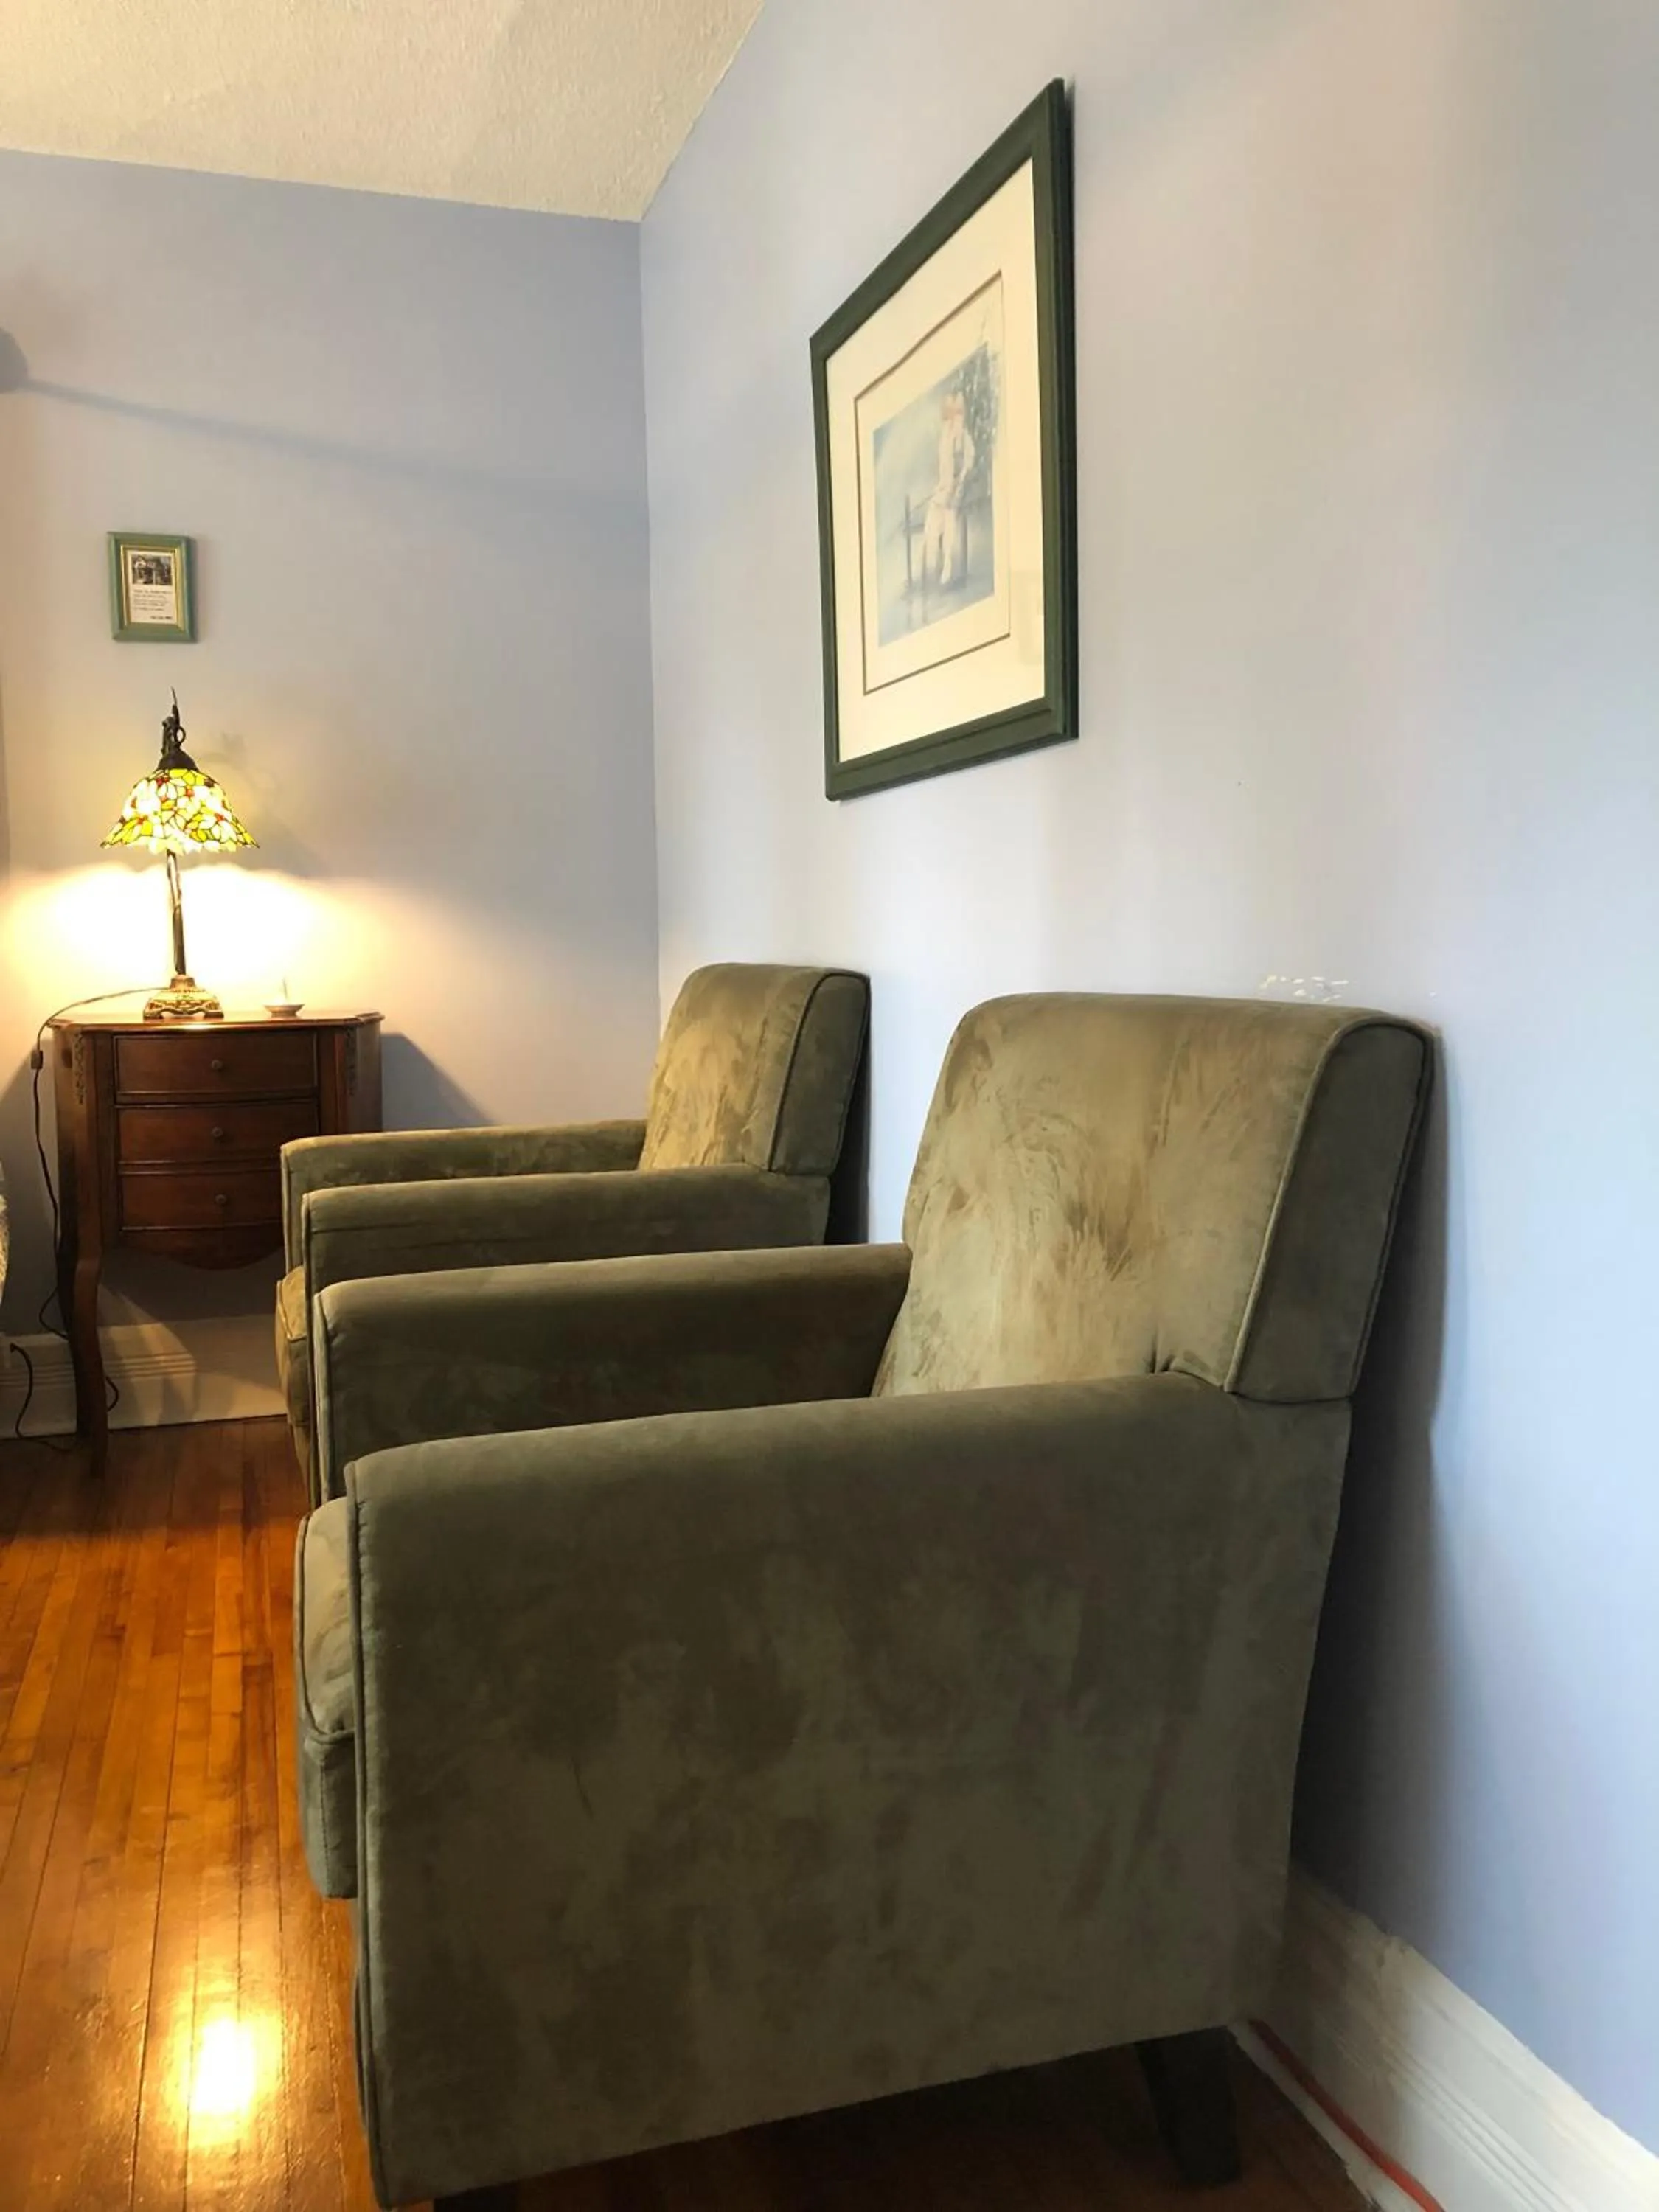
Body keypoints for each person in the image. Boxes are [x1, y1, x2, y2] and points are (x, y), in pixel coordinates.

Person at [922, 387, 975, 589]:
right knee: (931, 525)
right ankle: (930, 567)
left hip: (957, 492)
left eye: (957, 412)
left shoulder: (963, 438)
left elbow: (966, 467)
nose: (952, 418)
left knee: (949, 520)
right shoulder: (944, 438)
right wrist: (941, 489)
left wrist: (958, 487)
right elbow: (943, 470)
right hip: (943, 490)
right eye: (950, 413)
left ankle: (947, 567)